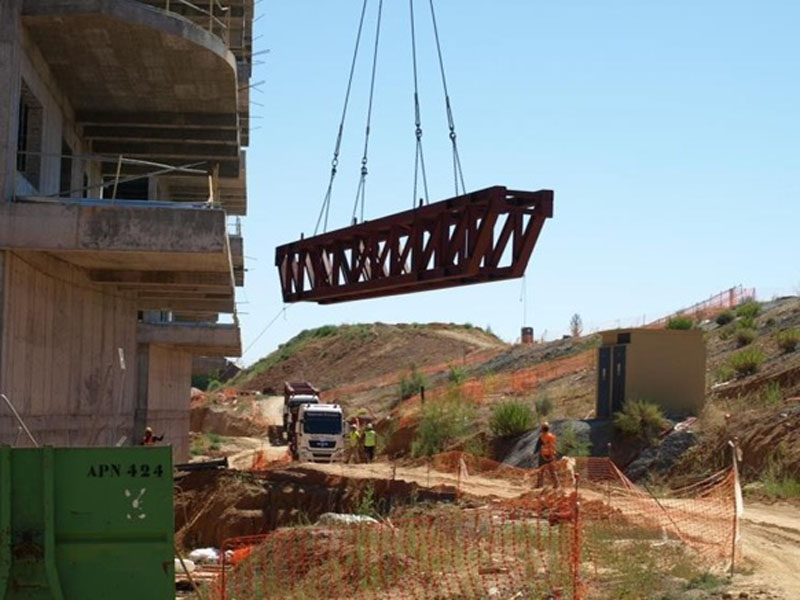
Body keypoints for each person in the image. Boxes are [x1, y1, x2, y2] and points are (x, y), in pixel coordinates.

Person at [534, 422, 559, 489]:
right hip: (550, 455)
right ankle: (556, 485)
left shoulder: (541, 437)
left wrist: (535, 452)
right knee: (552, 471)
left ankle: (539, 484)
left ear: (542, 429)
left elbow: (538, 446)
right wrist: (553, 454)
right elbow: (553, 446)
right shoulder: (552, 436)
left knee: (541, 470)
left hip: (543, 455)